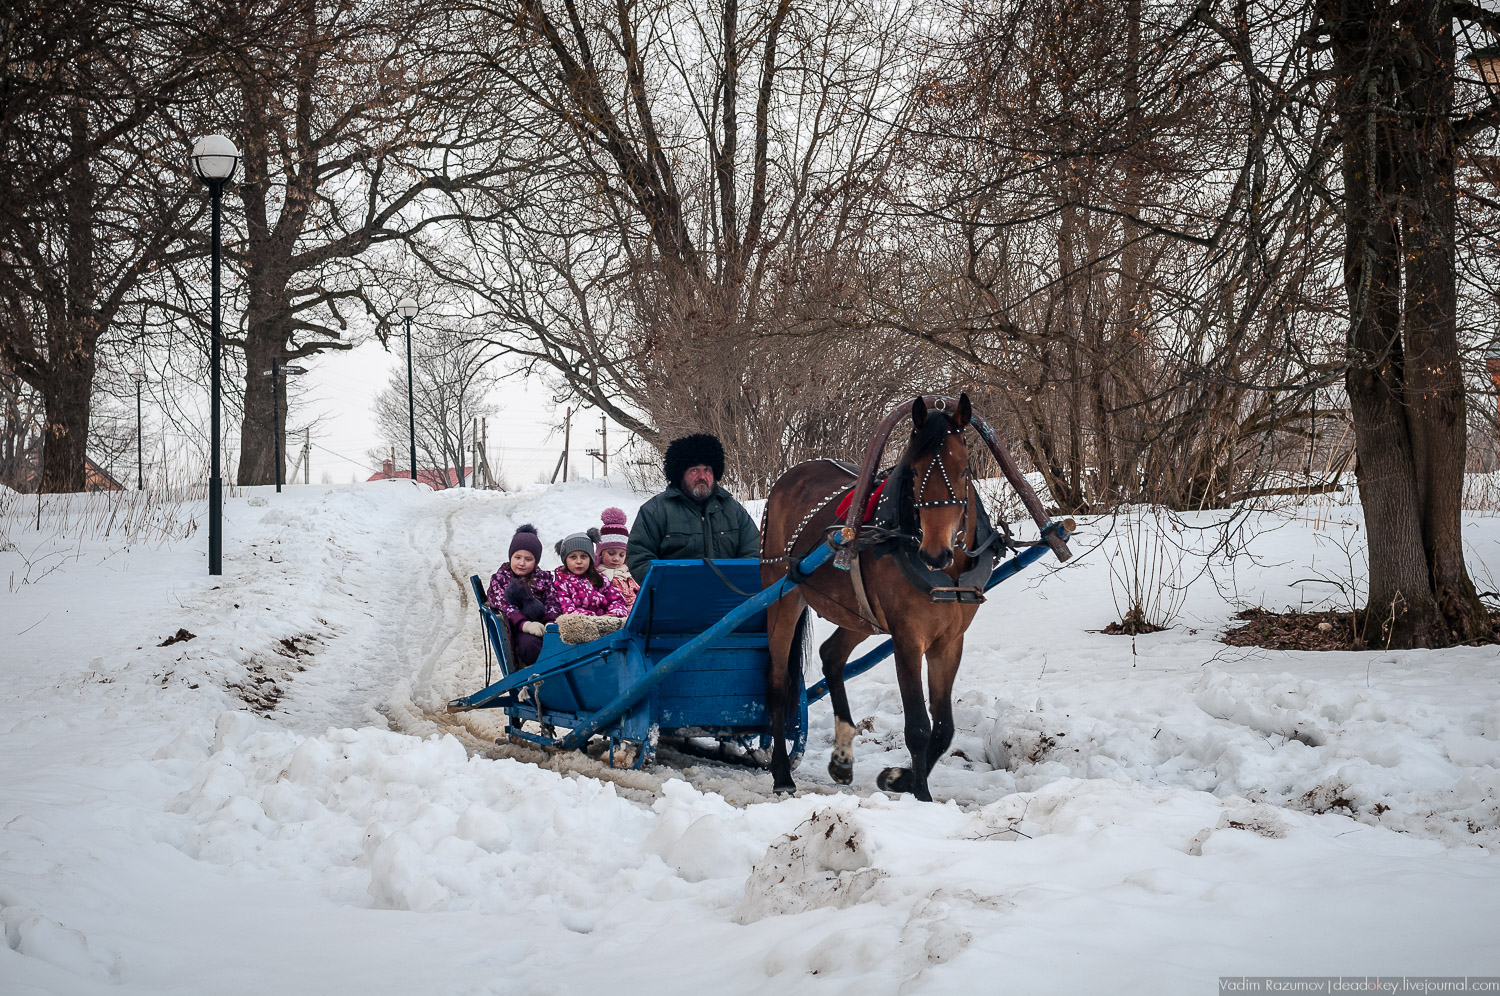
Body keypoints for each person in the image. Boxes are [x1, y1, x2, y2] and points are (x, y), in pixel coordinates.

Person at [626, 433, 760, 583]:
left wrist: (736, 584)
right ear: (680, 474)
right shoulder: (655, 510)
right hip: (674, 600)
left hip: (728, 599)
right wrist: (668, 586)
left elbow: (753, 552)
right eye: (694, 470)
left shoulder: (733, 510)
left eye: (707, 470)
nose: (702, 476)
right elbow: (639, 557)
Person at [486, 524, 556, 667]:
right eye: (517, 557)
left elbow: (552, 600)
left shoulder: (543, 578)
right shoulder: (500, 579)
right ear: (510, 556)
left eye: (528, 559)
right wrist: (525, 624)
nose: (521, 563)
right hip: (519, 628)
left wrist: (550, 622)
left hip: (544, 625)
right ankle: (542, 674)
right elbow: (505, 605)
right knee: (529, 644)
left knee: (560, 641)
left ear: (535, 561)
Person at [547, 530, 629, 644]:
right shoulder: (561, 582)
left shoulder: (599, 578)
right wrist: (593, 617)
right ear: (565, 560)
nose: (579, 561)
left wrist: (613, 614)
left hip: (605, 623)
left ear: (590, 558)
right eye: (573, 557)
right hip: (582, 626)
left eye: (584, 556)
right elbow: (567, 608)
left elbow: (616, 599)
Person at [596, 507, 640, 611]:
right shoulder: (597, 577)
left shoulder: (629, 575)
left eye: (621, 555)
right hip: (612, 615)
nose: (616, 559)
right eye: (611, 553)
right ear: (600, 553)